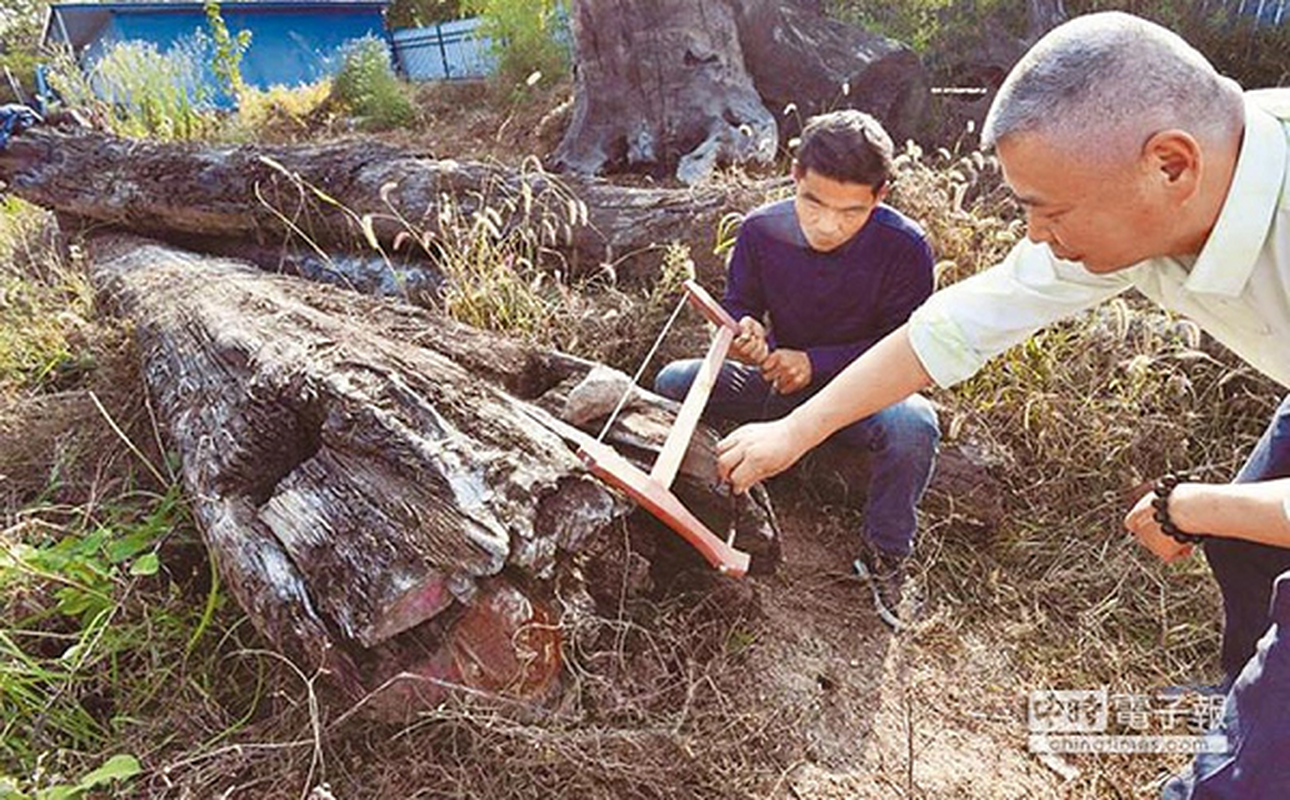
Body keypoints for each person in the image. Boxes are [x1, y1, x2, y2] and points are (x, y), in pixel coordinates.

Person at [715, 11, 1290, 797]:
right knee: (1251, 548)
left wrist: (1195, 503)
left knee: (1248, 772)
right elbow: (951, 328)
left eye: (1049, 211)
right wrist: (794, 431)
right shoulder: (1142, 201)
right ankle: (1238, 699)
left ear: (1170, 165)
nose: (1036, 236)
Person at [654, 109, 940, 628]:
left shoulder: (906, 247)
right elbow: (741, 302)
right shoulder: (762, 230)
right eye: (813, 203)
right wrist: (747, 331)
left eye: (850, 211)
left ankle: (887, 553)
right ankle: (701, 502)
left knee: (914, 423)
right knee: (675, 381)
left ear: (881, 195)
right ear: (795, 178)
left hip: (863, 397)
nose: (827, 224)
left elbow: (907, 349)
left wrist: (817, 363)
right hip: (775, 384)